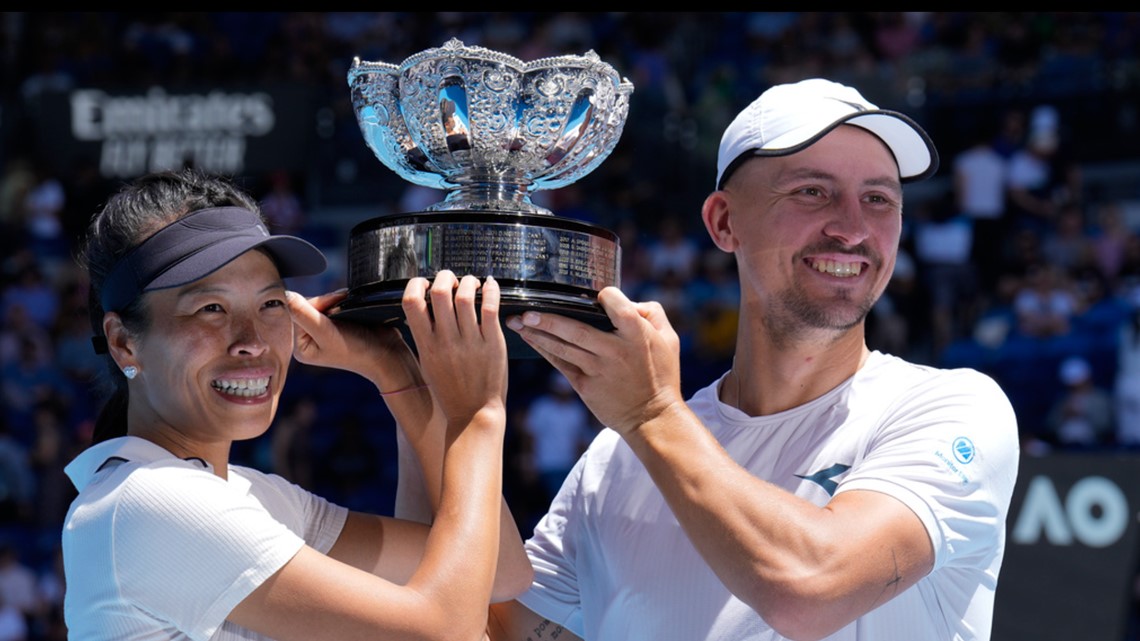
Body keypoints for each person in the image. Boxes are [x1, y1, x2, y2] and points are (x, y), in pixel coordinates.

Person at [484, 78, 1021, 640]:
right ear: (723, 222)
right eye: (812, 191)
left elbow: (811, 592)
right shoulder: (616, 459)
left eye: (879, 199)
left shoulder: (951, 407)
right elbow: (496, 631)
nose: (853, 228)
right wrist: (438, 409)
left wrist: (651, 415)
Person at [61, 169, 531, 640]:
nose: (252, 341)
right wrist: (476, 417)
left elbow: (496, 574)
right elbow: (446, 629)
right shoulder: (152, 501)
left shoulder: (255, 498)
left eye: (270, 305)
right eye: (211, 309)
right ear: (124, 343)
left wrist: (396, 373)